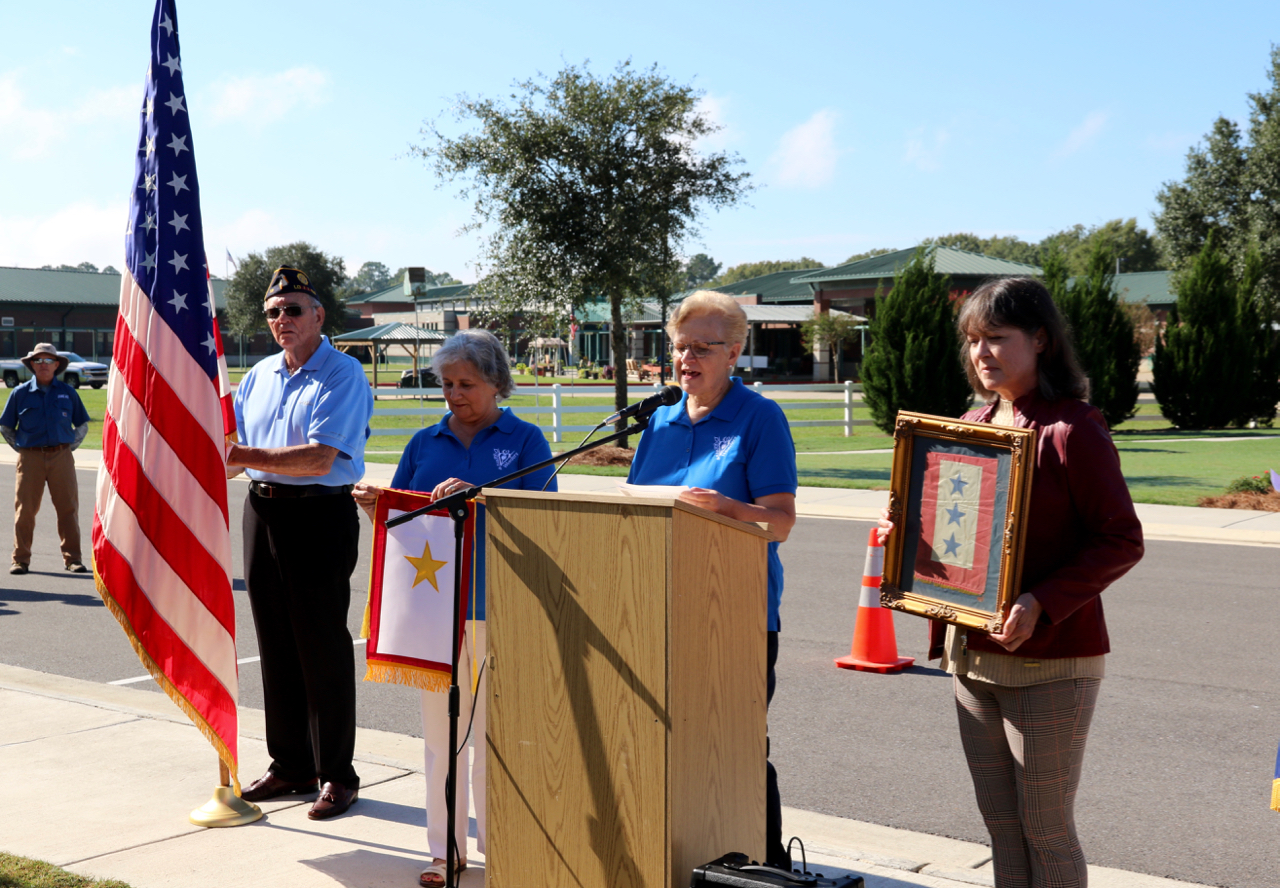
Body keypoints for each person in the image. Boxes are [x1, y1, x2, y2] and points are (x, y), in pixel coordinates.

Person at [879, 277, 1144, 888]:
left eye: (997, 338)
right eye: (974, 341)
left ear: (1041, 340)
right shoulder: (969, 423)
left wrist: (1040, 602)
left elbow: (1122, 539)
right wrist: (904, 525)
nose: (982, 353)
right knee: (1001, 824)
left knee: (1045, 828)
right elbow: (955, 540)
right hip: (971, 658)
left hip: (1052, 663)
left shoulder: (1073, 428)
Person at [352, 329, 555, 888]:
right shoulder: (424, 442)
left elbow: (547, 522)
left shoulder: (528, 440)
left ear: (496, 382)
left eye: (467, 383)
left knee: (490, 740)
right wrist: (376, 505)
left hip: (498, 608)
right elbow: (397, 524)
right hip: (433, 615)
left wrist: (480, 496)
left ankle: (498, 848)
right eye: (446, 384)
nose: (455, 394)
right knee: (440, 738)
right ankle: (445, 851)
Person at [625, 290, 798, 868]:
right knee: (663, 738)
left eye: (703, 347)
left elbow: (780, 523)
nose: (687, 358)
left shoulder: (759, 418)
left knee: (738, 744)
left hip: (737, 611)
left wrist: (726, 508)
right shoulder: (661, 419)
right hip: (657, 603)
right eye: (679, 346)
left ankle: (766, 863)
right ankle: (682, 854)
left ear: (736, 351)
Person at [228, 266, 373, 820]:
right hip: (261, 511)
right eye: (272, 312)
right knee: (276, 645)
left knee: (321, 647)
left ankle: (338, 772)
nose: (281, 320)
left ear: (318, 315)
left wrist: (239, 456)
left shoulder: (343, 374)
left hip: (318, 516)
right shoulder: (260, 374)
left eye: (292, 309)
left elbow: (319, 459)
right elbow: (229, 442)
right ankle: (291, 763)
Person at [0, 343, 91, 575]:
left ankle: (73, 559)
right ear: (31, 365)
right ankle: (20, 559)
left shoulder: (68, 392)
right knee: (25, 510)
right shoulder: (19, 394)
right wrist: (22, 449)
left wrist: (67, 448)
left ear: (57, 365)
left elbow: (81, 423)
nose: (43, 365)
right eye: (38, 360)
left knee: (68, 508)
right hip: (30, 458)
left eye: (48, 360)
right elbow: (6, 426)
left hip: (61, 457)